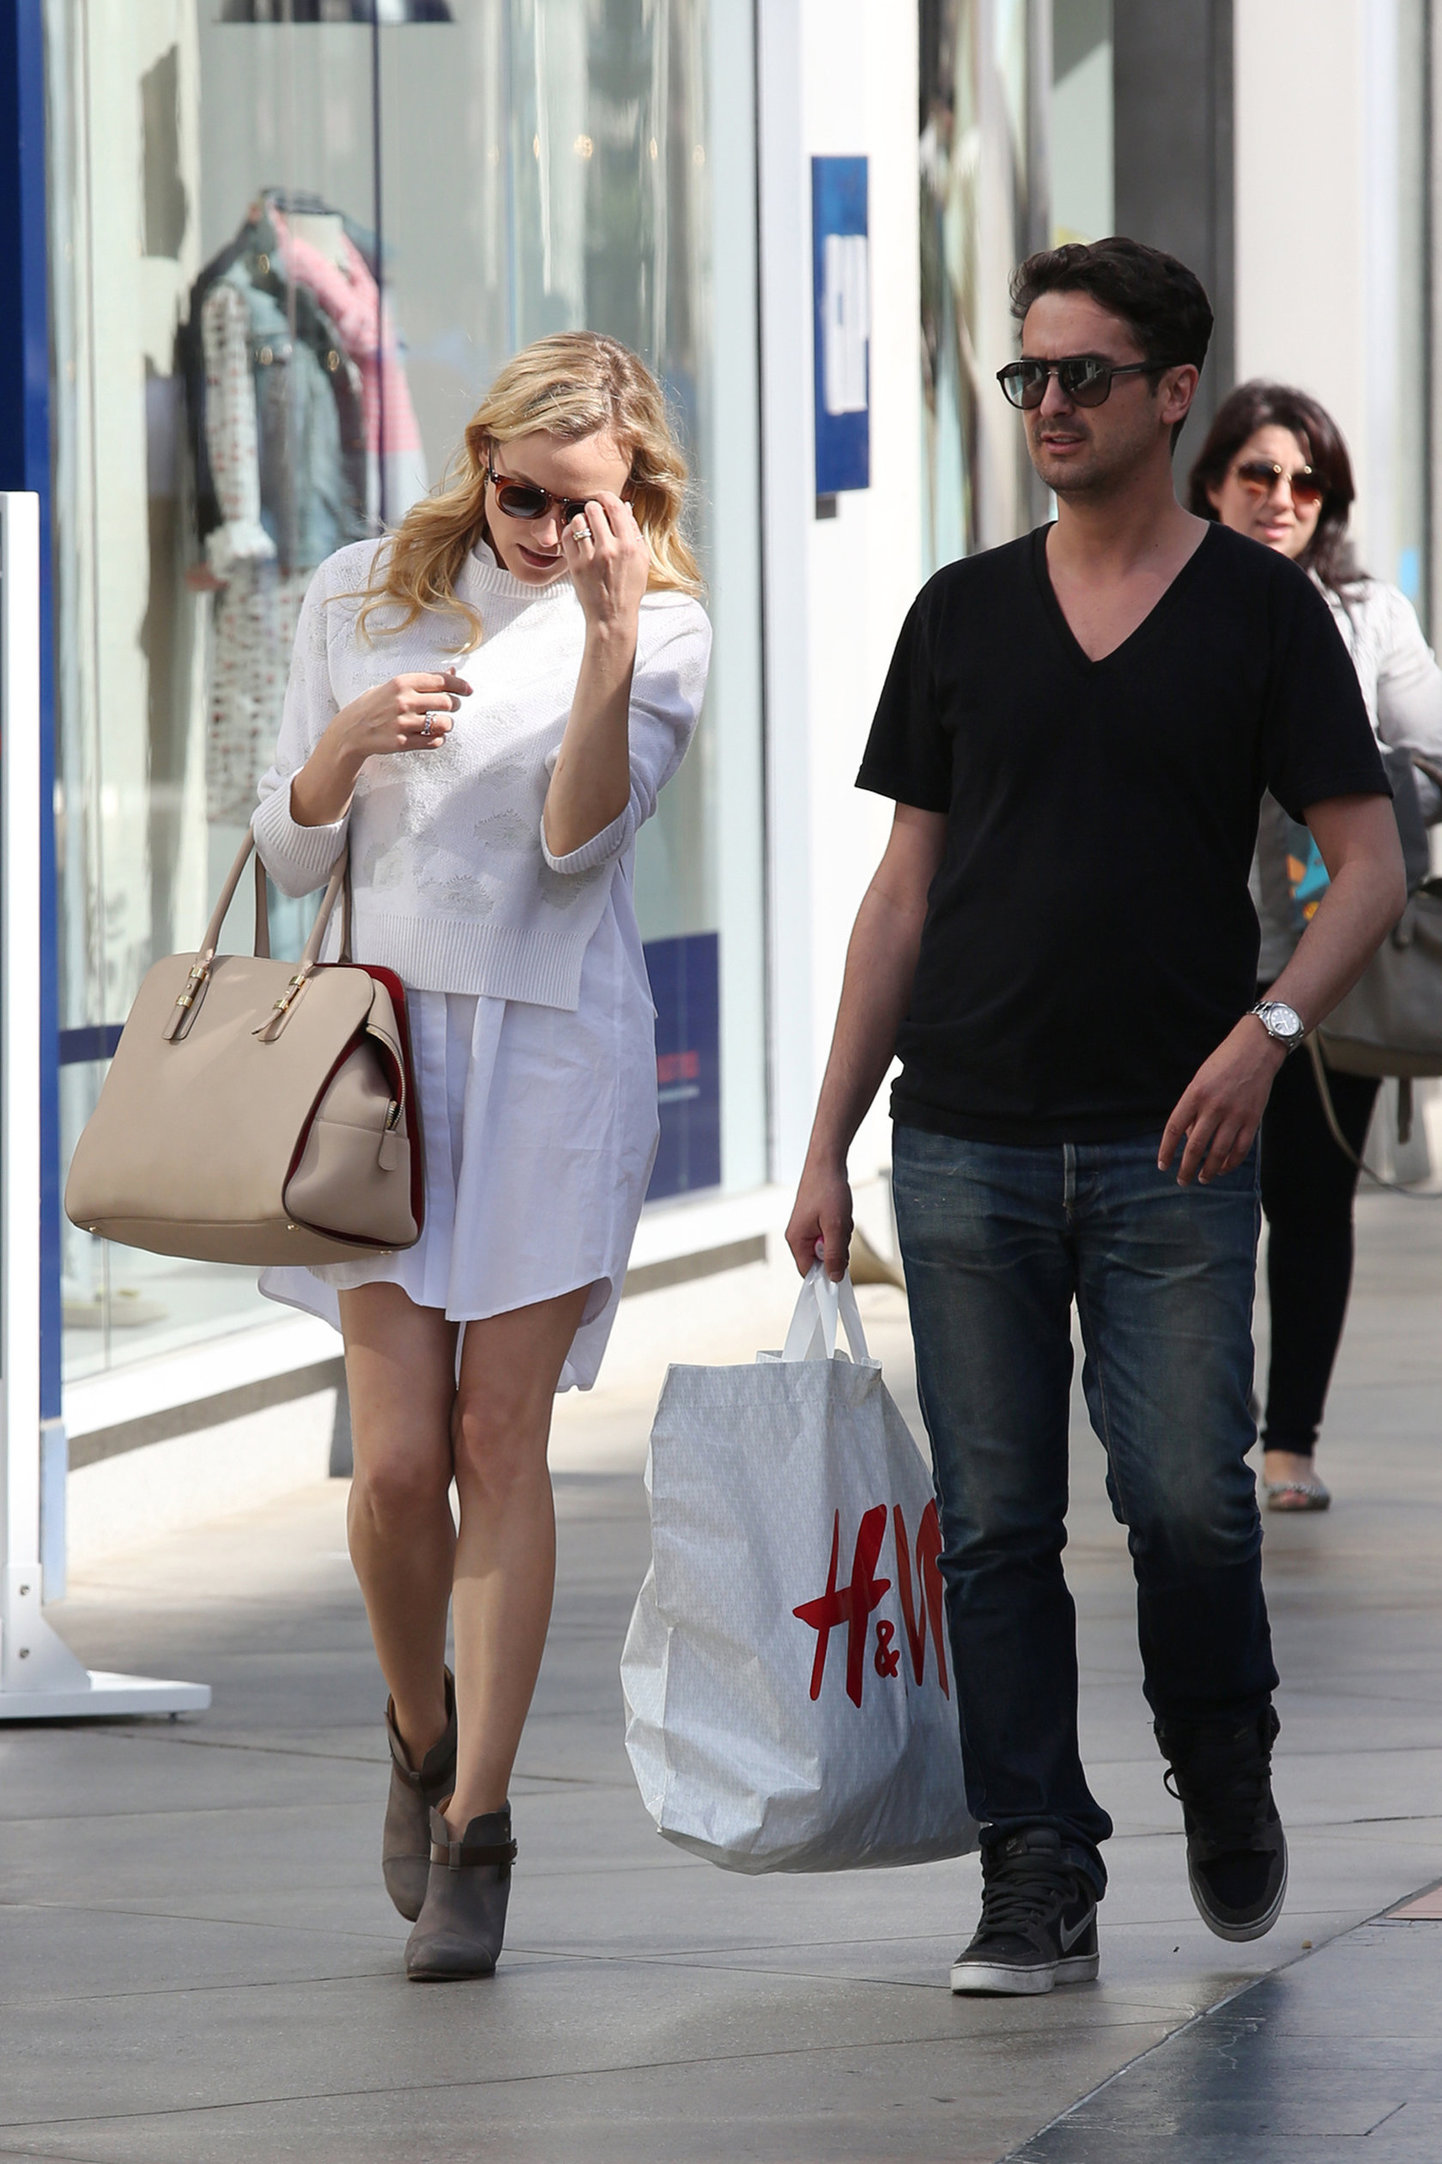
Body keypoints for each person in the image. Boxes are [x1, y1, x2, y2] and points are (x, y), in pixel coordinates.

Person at [786, 238, 1404, 1996]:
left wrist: (1266, 1034)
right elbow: (900, 894)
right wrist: (826, 1142)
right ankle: (1034, 1864)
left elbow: (1367, 863)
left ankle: (1220, 1752)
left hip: (1170, 1143)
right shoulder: (959, 612)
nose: (1046, 404)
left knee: (1188, 1504)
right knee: (990, 1525)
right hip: (962, 1133)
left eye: (1081, 375)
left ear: (1168, 393)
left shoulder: (1260, 611)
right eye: (1027, 375)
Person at [253, 332, 711, 1980]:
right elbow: (281, 846)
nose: (544, 532)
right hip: (382, 1063)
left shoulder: (662, 622)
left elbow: (577, 847)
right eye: (522, 497)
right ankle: (418, 1728)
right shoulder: (359, 589)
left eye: (583, 505)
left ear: (631, 497)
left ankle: (483, 1825)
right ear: (478, 461)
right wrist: (346, 742)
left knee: (497, 1436)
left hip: (551, 1061)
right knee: (393, 1466)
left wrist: (604, 640)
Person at [1188, 384, 1442, 1511]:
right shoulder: (1166, 599)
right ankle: (1200, 1441)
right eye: (1258, 474)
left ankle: (1287, 1442)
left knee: (1306, 1202)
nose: (1281, 498)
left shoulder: (1366, 615)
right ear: (1211, 481)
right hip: (1187, 962)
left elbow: (1433, 755)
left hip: (1320, 973)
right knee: (1182, 1213)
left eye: (1306, 481)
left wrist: (1348, 788)